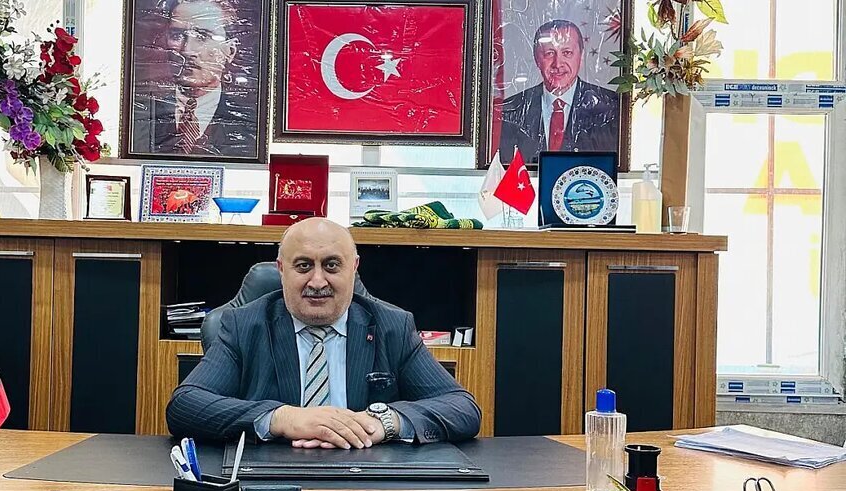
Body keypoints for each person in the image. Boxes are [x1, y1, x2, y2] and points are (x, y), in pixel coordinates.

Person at [166, 218, 482, 448]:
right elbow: (185, 406)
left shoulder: (392, 327)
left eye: (331, 266)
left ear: (353, 268)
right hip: (269, 477)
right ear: (281, 269)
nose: (318, 282)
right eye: (303, 266)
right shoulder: (243, 325)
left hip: (368, 479)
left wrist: (385, 422)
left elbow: (461, 407)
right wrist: (281, 419)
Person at [130, 0, 257, 157]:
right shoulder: (137, 117)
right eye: (177, 35)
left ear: (230, 51)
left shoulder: (250, 125)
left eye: (203, 36)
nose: (187, 50)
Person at [498, 19, 619, 162]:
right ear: (537, 59)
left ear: (581, 57)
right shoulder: (510, 110)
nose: (557, 64)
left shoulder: (611, 107)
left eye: (567, 53)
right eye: (549, 53)